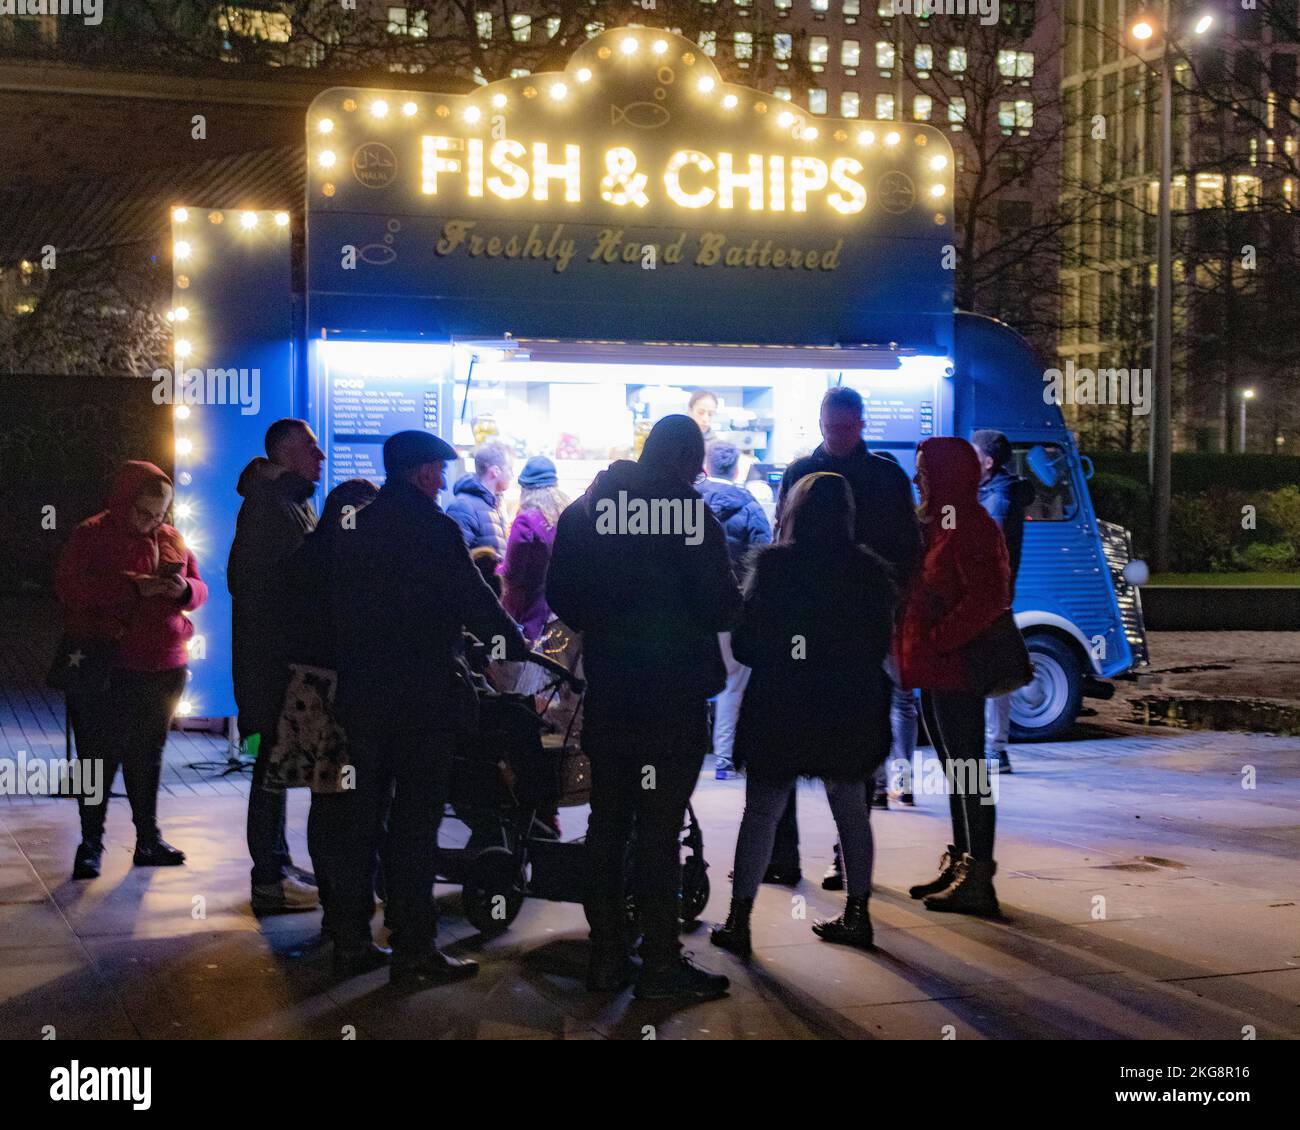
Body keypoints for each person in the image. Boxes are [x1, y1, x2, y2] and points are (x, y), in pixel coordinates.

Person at [547, 415, 742, 1001]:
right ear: (684, 460)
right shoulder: (688, 515)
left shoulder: (587, 509)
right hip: (672, 694)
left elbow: (562, 597)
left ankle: (607, 955)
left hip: (611, 690)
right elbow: (720, 606)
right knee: (660, 828)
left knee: (607, 822)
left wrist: (608, 625)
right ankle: (659, 963)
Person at [329, 430, 534, 984]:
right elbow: (476, 601)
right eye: (439, 472)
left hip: (362, 695)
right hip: (420, 698)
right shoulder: (433, 528)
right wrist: (513, 642)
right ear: (421, 473)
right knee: (415, 824)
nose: (443, 481)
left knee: (361, 819)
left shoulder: (357, 526)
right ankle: (413, 947)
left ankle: (350, 940)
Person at [710, 473, 896, 958]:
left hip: (783, 705)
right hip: (849, 706)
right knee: (852, 812)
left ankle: (739, 920)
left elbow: (747, 643)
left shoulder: (775, 569)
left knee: (761, 813)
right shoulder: (870, 574)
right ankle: (858, 914)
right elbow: (878, 644)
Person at [768, 386, 921, 883]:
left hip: (846, 628)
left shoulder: (879, 477)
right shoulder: (825, 473)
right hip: (827, 626)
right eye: (829, 426)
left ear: (858, 424)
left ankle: (841, 857)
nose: (834, 435)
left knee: (846, 750)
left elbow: (905, 550)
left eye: (842, 427)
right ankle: (787, 854)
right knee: (806, 743)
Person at [56, 461, 207, 879]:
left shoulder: (172, 536)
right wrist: (131, 586)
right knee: (97, 757)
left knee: (148, 754)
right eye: (143, 513)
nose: (152, 522)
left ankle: (147, 839)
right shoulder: (91, 534)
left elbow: (200, 586)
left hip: (163, 663)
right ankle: (90, 843)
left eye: (160, 514)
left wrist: (185, 590)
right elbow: (70, 589)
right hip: (110, 664)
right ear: (122, 503)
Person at [897, 437, 1010, 917]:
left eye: (926, 469)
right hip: (935, 664)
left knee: (968, 770)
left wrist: (941, 638)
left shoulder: (970, 523)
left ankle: (977, 875)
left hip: (955, 666)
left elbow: (989, 596)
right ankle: (963, 861)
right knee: (954, 768)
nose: (919, 476)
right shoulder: (941, 519)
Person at [274, 478, 379, 943]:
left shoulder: (304, 556)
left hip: (309, 692)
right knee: (358, 807)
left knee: (326, 802)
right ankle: (350, 910)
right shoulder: (360, 562)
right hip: (350, 693)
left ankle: (335, 906)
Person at [228, 418, 324, 914]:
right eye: (310, 446)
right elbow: (269, 591)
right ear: (284, 453)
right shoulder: (273, 507)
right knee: (269, 767)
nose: (321, 455)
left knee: (274, 767)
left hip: (272, 661)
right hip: (271, 665)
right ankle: (268, 878)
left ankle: (277, 867)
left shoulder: (288, 502)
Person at [699, 440, 772, 778]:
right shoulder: (750, 505)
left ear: (705, 465)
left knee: (691, 677)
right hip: (733, 606)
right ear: (738, 469)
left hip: (692, 607)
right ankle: (724, 758)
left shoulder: (687, 501)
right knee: (733, 681)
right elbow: (763, 556)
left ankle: (690, 749)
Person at [971, 430, 1035, 774]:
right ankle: (994, 748)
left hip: (991, 596)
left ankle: (995, 750)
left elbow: (986, 546)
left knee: (992, 668)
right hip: (996, 595)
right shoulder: (996, 492)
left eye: (973, 454)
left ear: (989, 462)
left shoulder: (999, 498)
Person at [499, 455, 570, 644]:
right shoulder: (566, 516)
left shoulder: (526, 521)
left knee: (513, 666)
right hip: (562, 614)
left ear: (525, 489)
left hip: (531, 615)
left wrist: (491, 568)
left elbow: (512, 574)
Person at [447, 441, 512, 555]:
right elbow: (456, 559)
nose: (512, 474)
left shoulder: (494, 505)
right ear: (495, 471)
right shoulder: (463, 507)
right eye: (509, 469)